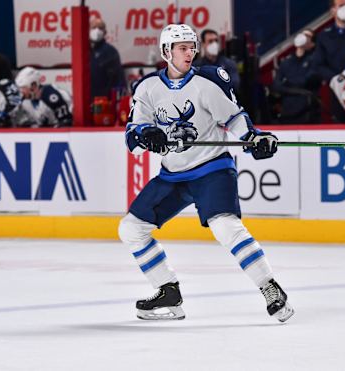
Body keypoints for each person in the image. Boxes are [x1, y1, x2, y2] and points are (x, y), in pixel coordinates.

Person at [118, 24, 294, 322]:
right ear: (166, 52)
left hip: (212, 168)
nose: (190, 52)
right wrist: (147, 134)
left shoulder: (208, 80)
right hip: (173, 174)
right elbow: (133, 134)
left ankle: (271, 287)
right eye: (182, 47)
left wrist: (254, 140)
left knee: (225, 227)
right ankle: (167, 290)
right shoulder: (147, 88)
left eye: (191, 46)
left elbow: (235, 119)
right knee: (130, 228)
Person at [272, 29, 321, 123]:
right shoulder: (286, 62)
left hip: (307, 110)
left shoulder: (315, 60)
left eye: (308, 36)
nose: (303, 37)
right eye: (302, 34)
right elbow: (276, 85)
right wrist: (294, 88)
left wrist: (287, 83)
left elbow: (305, 81)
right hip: (288, 110)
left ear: (312, 44)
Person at [89, 17, 126, 99]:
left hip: (105, 100)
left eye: (100, 28)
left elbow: (119, 78)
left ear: (105, 32)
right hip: (86, 99)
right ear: (88, 30)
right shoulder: (83, 51)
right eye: (94, 27)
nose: (97, 30)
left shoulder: (111, 52)